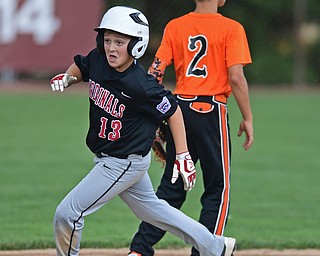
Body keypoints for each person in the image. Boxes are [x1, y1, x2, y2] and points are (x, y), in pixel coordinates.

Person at [50, 6, 237, 256]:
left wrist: (182, 154)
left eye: (120, 41)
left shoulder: (141, 84)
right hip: (117, 158)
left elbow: (173, 110)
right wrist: (67, 78)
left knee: (68, 213)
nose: (111, 47)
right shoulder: (98, 59)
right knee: (154, 211)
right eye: (107, 40)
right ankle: (216, 246)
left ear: (136, 45)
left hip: (122, 163)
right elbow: (81, 67)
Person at [128, 0, 254, 255]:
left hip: (179, 111)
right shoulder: (232, 28)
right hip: (211, 111)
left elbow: (155, 73)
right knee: (217, 188)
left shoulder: (176, 26)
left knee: (172, 188)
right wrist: (247, 117)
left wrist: (153, 113)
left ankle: (139, 249)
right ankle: (207, 251)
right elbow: (236, 77)